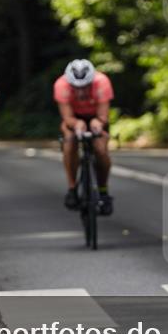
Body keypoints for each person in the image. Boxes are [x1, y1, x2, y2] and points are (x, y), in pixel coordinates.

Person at [54, 59, 115, 216]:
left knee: (101, 150)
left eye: (85, 87)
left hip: (96, 117)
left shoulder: (102, 82)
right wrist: (76, 123)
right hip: (74, 118)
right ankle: (72, 188)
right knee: (69, 143)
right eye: (76, 88)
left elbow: (103, 115)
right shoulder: (61, 84)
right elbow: (67, 117)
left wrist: (98, 122)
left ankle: (103, 191)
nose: (81, 92)